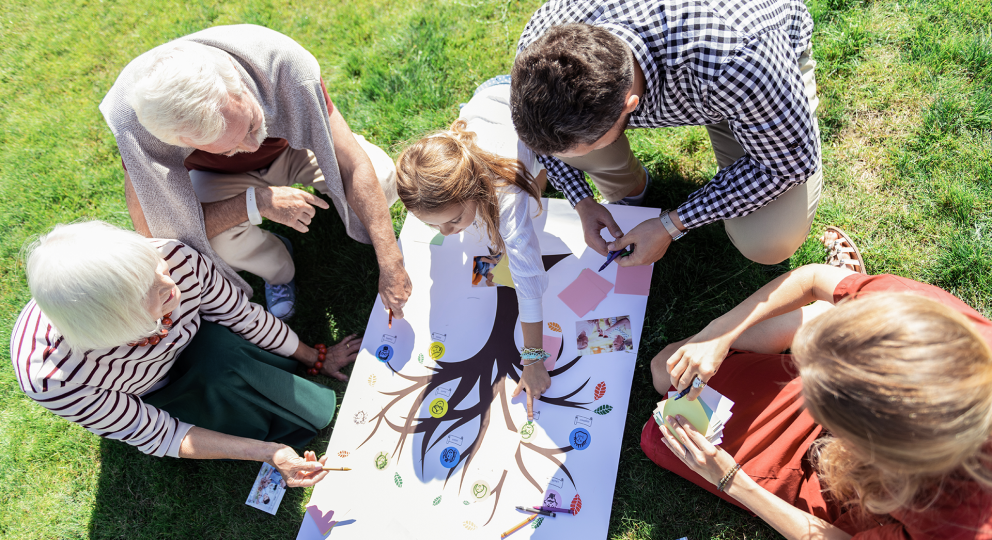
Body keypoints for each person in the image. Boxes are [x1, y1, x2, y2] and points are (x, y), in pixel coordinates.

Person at [640, 230, 992, 538]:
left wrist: (733, 480)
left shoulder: (956, 523)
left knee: (656, 439)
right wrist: (720, 332)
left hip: (858, 494)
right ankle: (832, 309)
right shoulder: (918, 319)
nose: (795, 375)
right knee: (664, 371)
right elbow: (811, 279)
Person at [10, 221, 362, 486]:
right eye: (154, 294)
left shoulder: (172, 257)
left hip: (204, 342)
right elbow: (157, 432)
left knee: (221, 354)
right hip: (151, 391)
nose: (171, 285)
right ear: (114, 327)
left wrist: (313, 357)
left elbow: (240, 315)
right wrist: (267, 452)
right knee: (214, 384)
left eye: (156, 269)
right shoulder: (53, 378)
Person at [100, 24, 411, 320]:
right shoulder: (134, 124)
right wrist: (256, 202)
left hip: (295, 148)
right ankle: (278, 268)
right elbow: (161, 232)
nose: (251, 146)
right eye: (228, 148)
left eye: (250, 124)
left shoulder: (284, 63)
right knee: (214, 241)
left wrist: (389, 258)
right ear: (178, 142)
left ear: (238, 81)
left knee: (383, 179)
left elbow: (351, 160)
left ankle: (354, 220)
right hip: (220, 180)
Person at [511, 0, 822, 266]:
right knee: (572, 144)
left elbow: (787, 164)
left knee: (768, 242)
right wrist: (581, 201)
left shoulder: (738, 63)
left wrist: (671, 225)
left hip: (757, 78)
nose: (558, 161)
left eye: (587, 146)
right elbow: (540, 140)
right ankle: (629, 189)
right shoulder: (538, 55)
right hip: (707, 83)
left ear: (630, 106)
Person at [394, 77, 550, 420]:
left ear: (475, 191)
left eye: (452, 221)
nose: (446, 234)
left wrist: (534, 358)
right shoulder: (443, 157)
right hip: (488, 96)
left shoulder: (507, 199)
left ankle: (543, 171)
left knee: (532, 189)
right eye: (433, 225)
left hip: (529, 97)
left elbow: (530, 282)